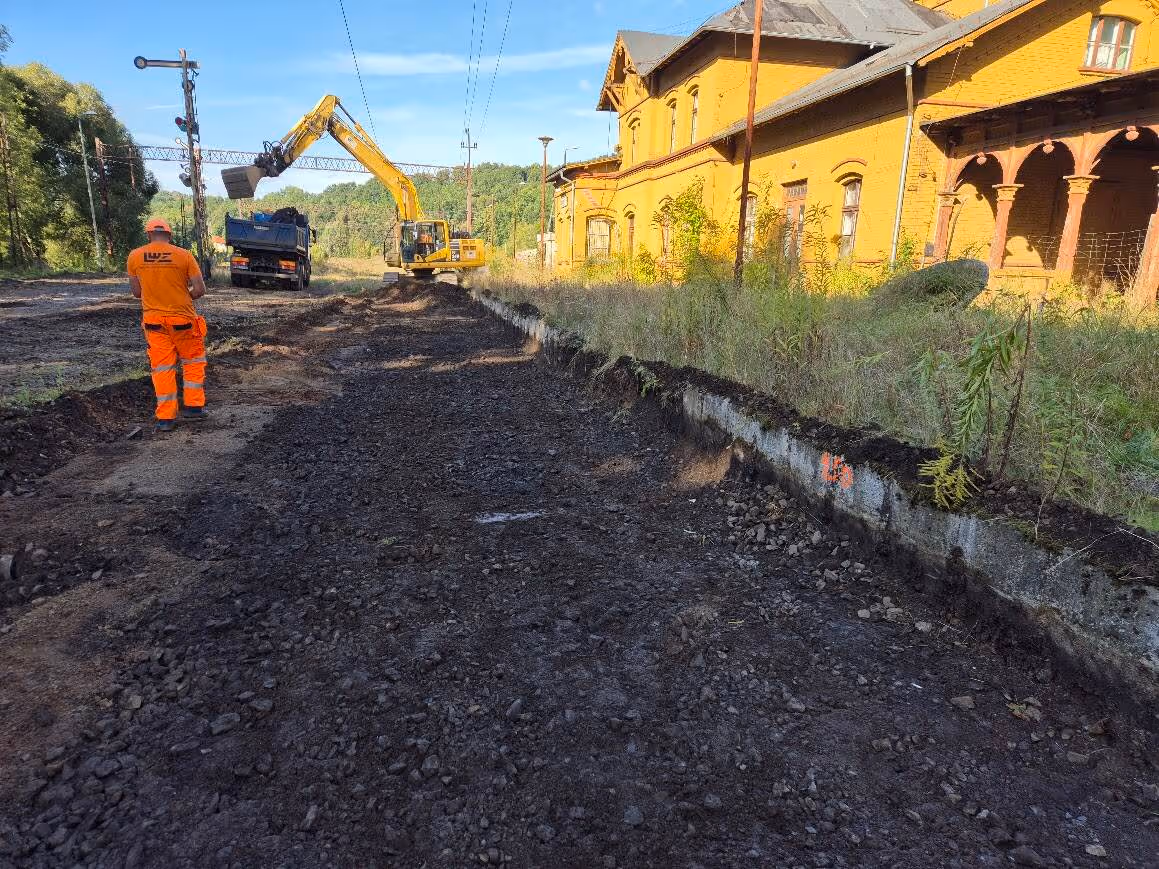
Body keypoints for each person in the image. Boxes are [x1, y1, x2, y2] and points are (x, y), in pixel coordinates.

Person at [126, 219, 208, 433]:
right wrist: (184, 297)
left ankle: (165, 418)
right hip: (183, 321)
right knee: (192, 362)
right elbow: (199, 289)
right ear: (170, 236)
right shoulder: (184, 255)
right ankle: (194, 408)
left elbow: (137, 292)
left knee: (162, 368)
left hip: (154, 323)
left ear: (148, 235)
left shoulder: (135, 256)